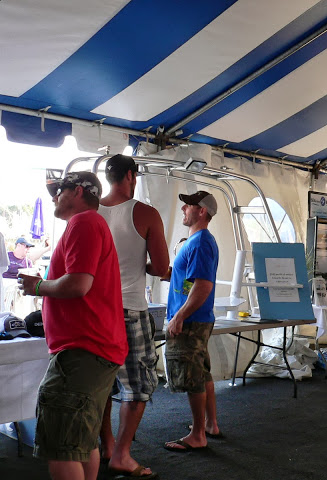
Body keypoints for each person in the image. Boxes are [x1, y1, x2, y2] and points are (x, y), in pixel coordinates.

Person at [19, 171, 127, 480]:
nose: (54, 196)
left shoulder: (84, 222)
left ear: (78, 191)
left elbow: (79, 284)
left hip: (82, 351)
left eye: (59, 190)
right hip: (92, 350)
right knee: (81, 442)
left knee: (61, 447)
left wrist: (38, 286)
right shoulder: (89, 224)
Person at [98, 155, 169, 478]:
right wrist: (141, 263)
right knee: (138, 385)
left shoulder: (91, 212)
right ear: (130, 175)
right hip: (129, 308)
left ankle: (107, 444)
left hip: (96, 309)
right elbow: (162, 267)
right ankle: (122, 454)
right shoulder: (145, 213)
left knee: (102, 382)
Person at [163, 190, 220, 452]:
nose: (184, 209)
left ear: (202, 211)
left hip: (191, 321)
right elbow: (189, 279)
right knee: (202, 372)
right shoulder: (198, 241)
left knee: (193, 377)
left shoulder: (200, 243)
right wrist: (167, 274)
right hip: (197, 319)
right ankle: (210, 425)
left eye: (189, 206)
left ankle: (198, 435)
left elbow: (203, 285)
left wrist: (179, 316)